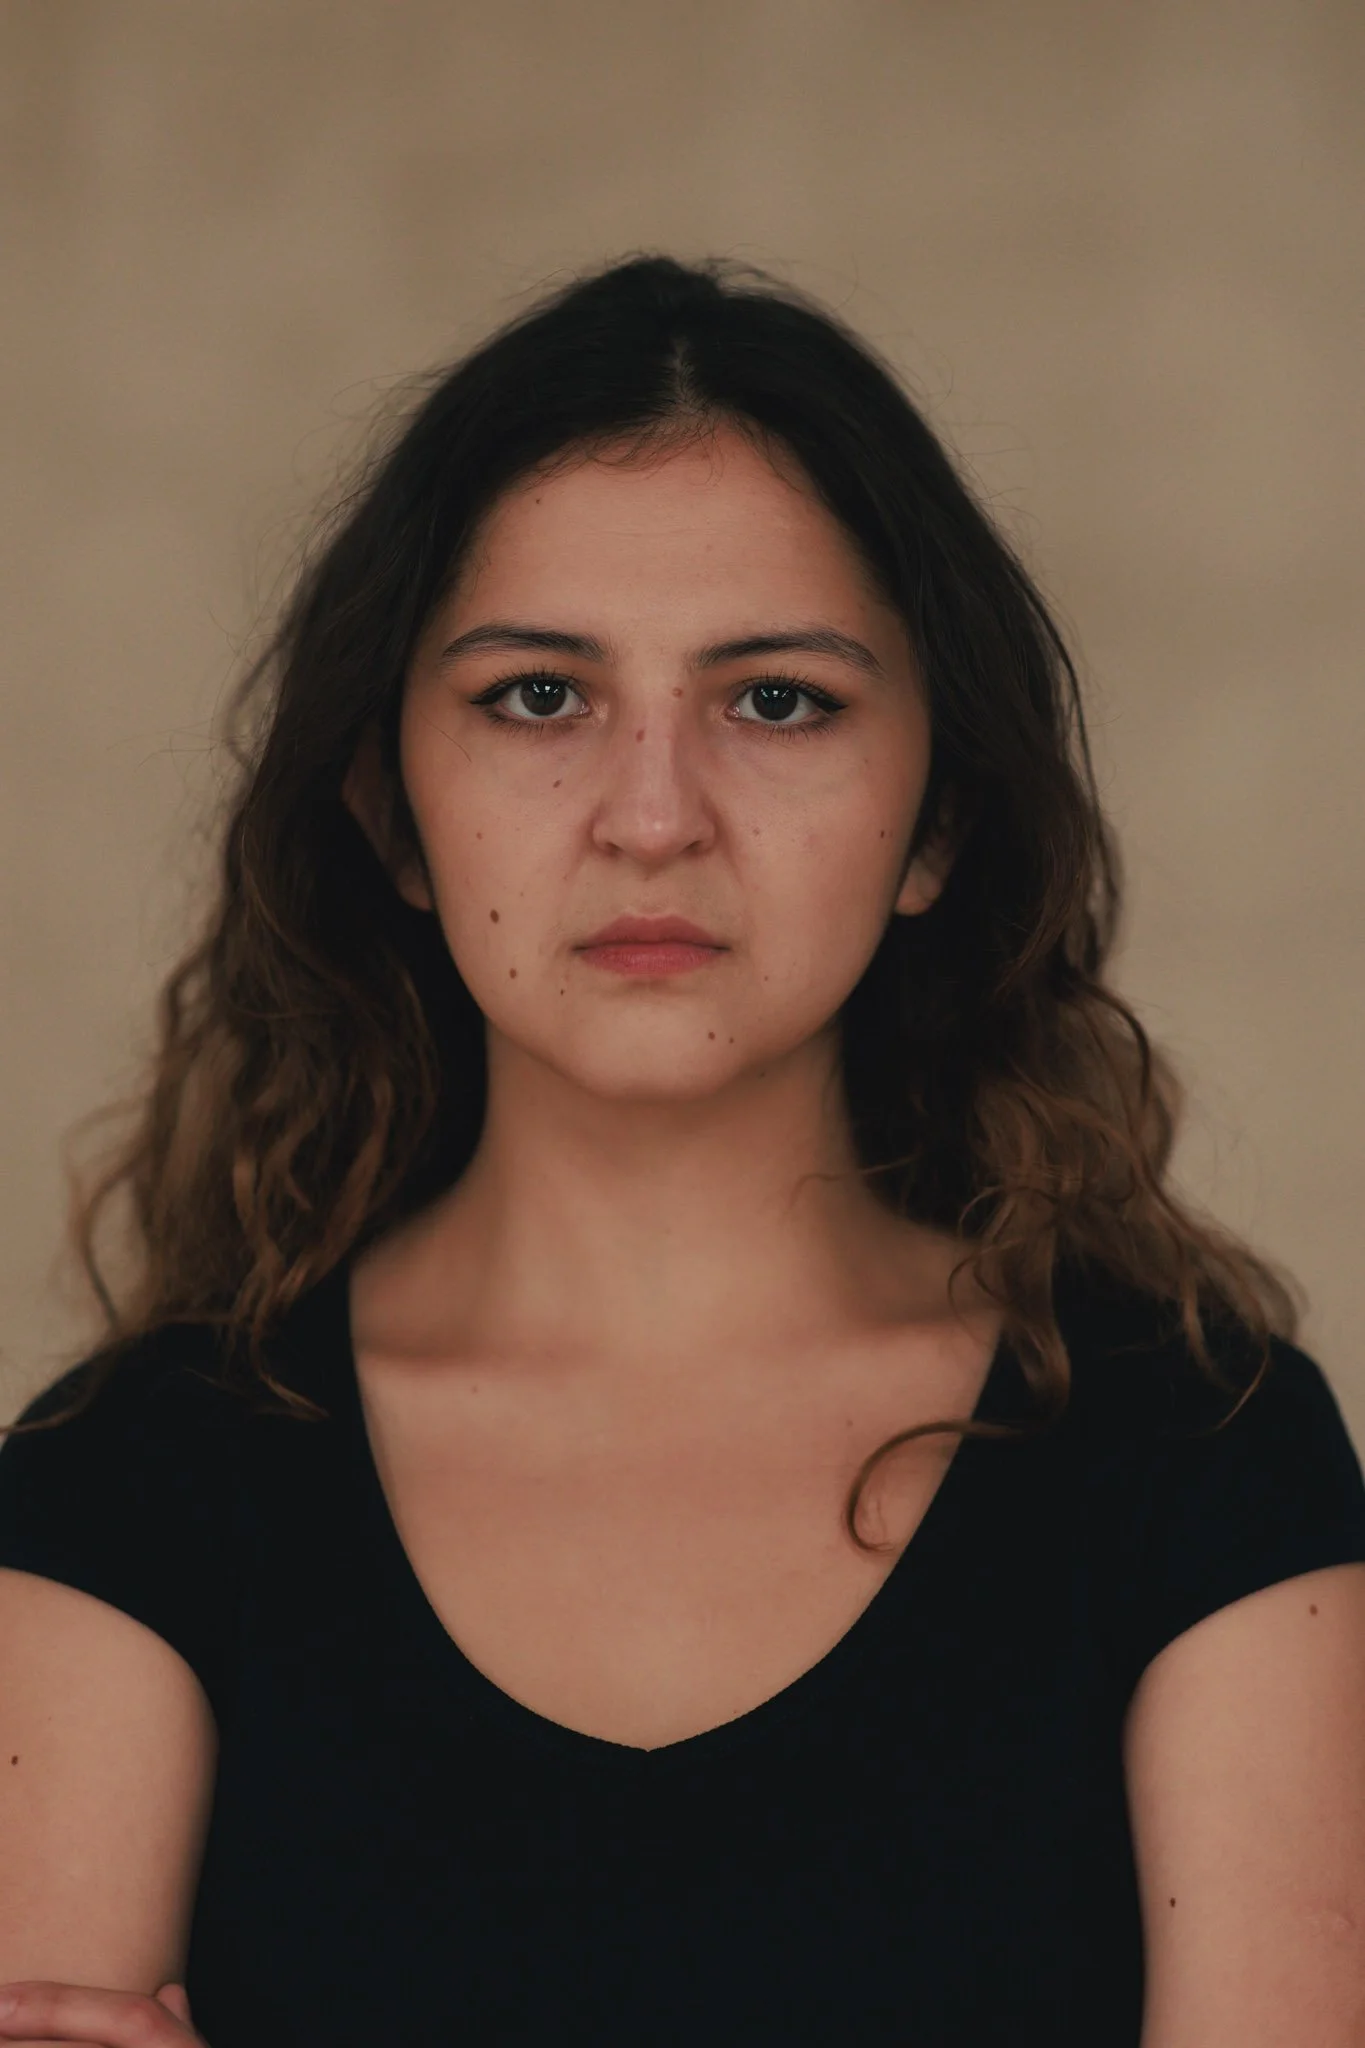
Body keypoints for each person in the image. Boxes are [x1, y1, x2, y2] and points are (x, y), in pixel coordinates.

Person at [1, 254, 1362, 2048]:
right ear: (390, 811)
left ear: (938, 820)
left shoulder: (1204, 1458)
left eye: (777, 700)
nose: (652, 818)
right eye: (537, 697)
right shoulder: (128, 1486)